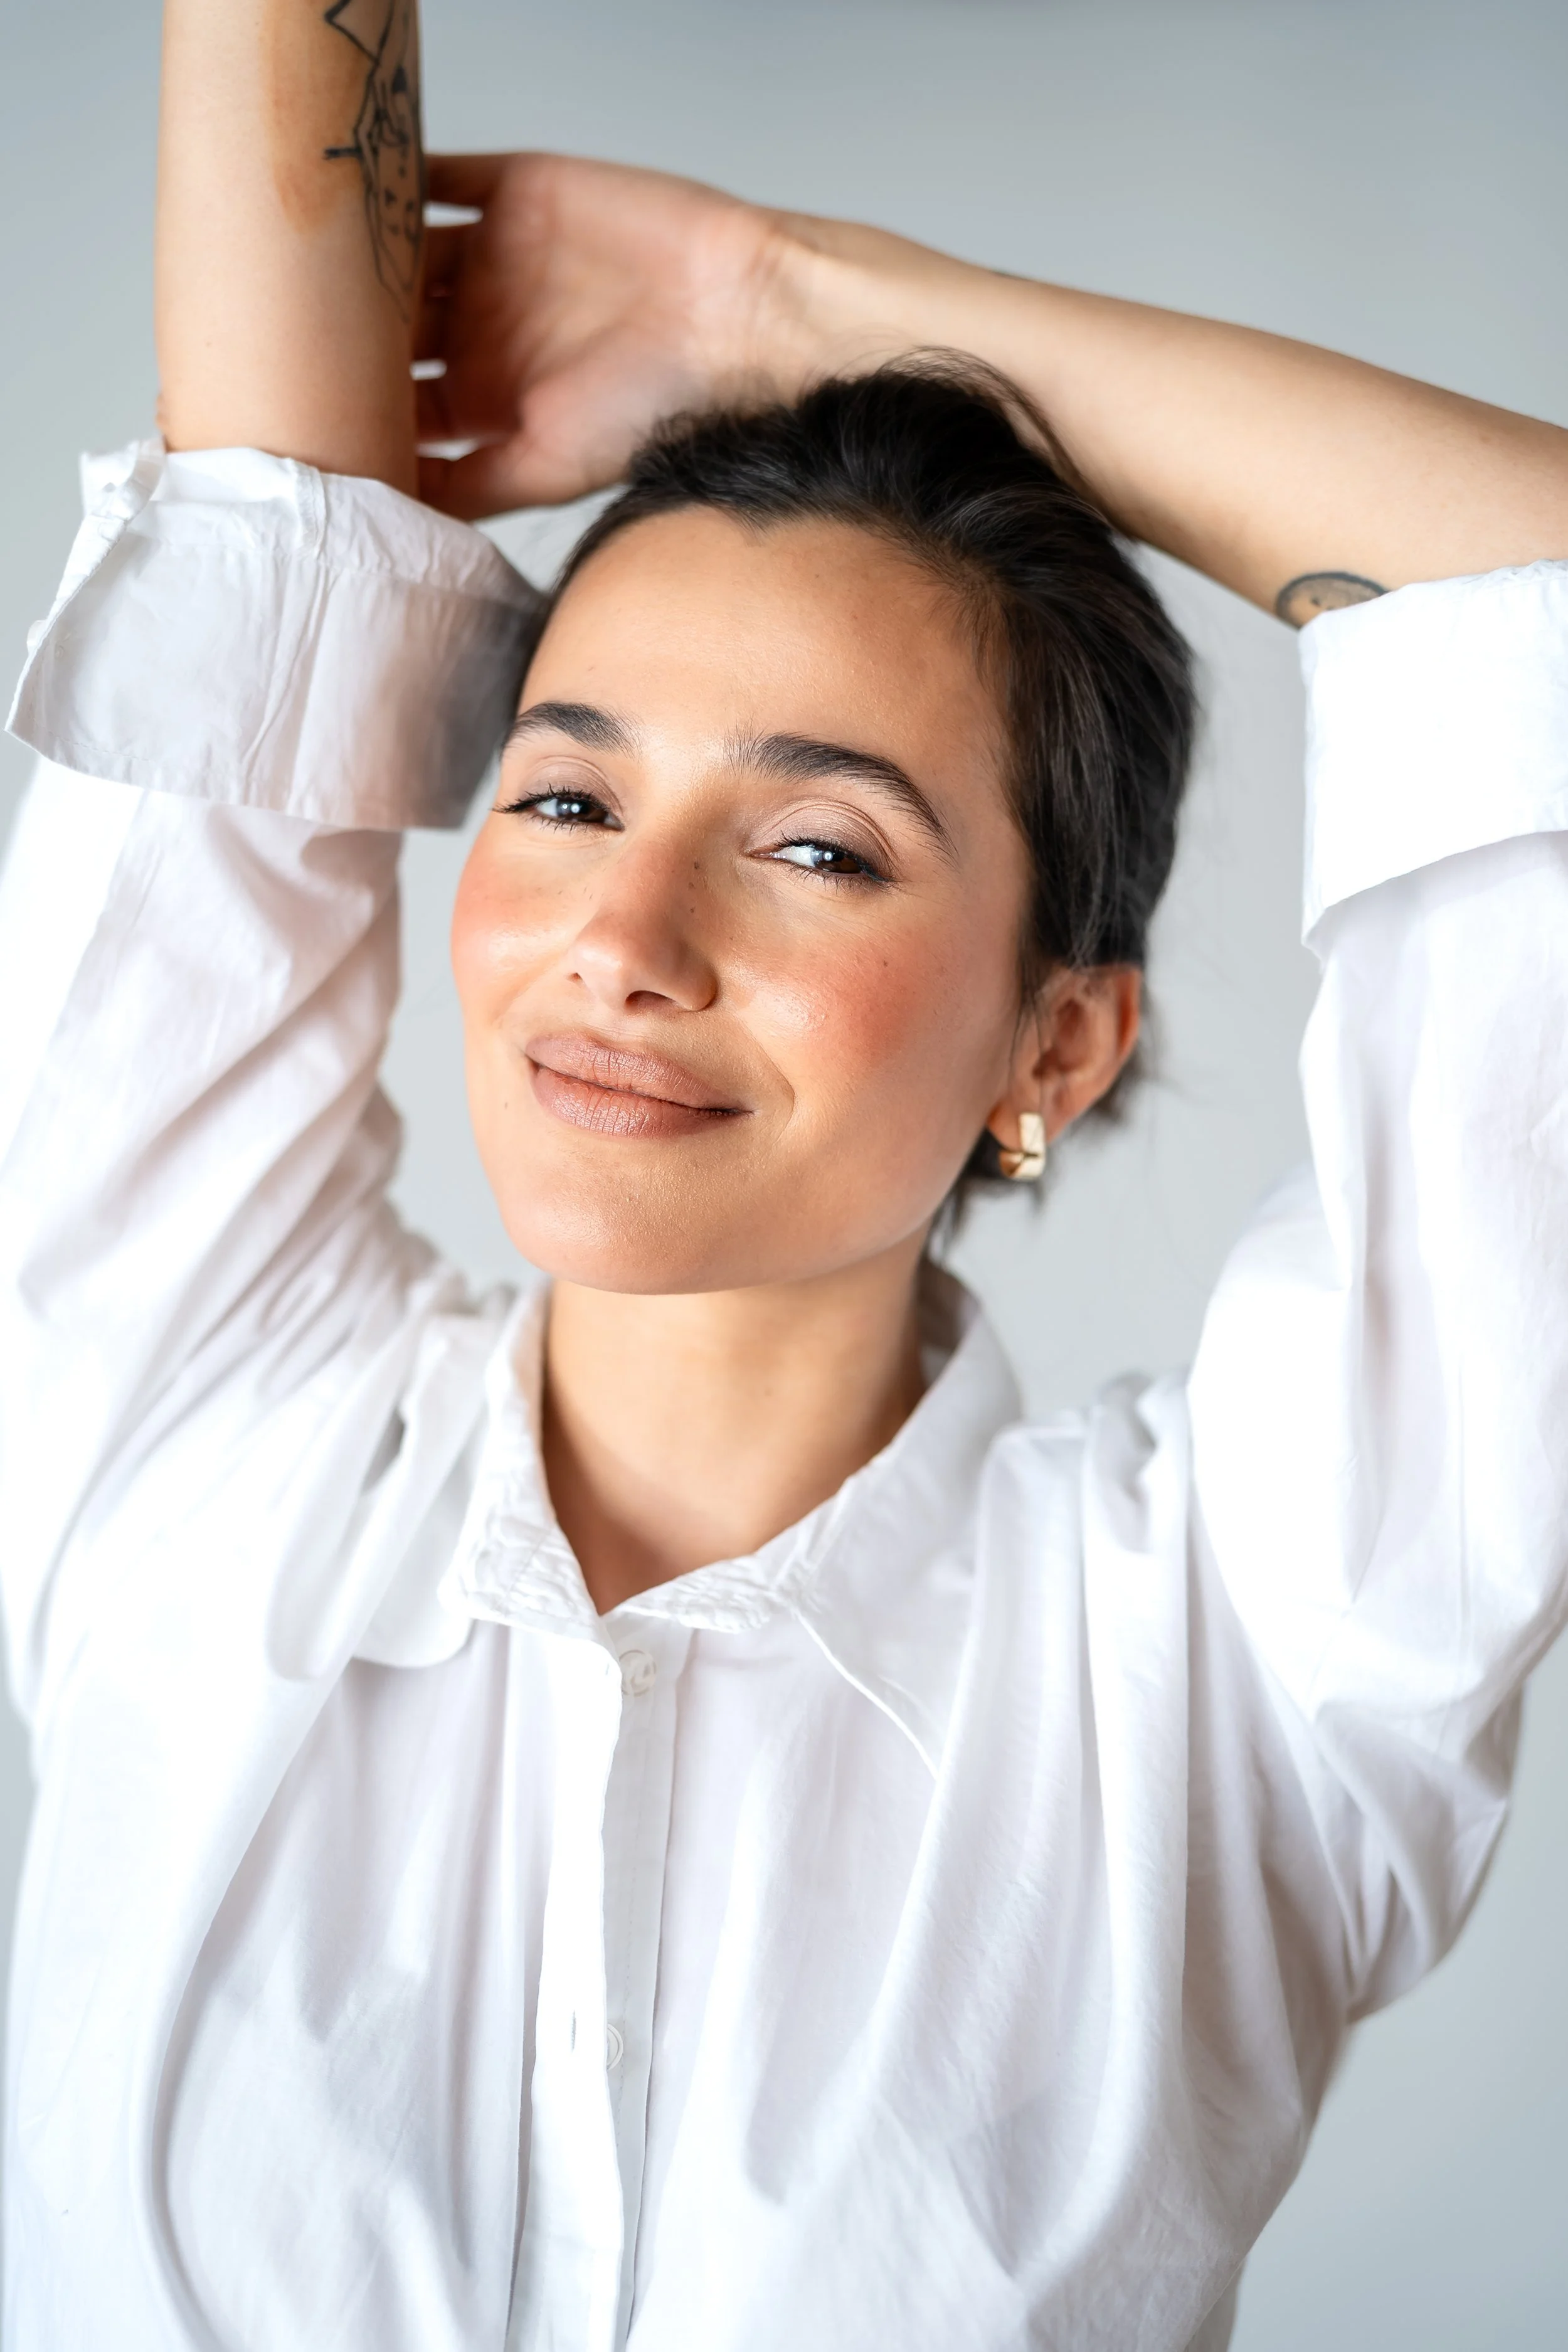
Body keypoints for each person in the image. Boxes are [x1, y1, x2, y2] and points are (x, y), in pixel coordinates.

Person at [3, 2, 1567, 2346]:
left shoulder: (1246, 1669)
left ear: (1059, 1035)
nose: (623, 948)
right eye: (561, 795)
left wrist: (798, 306)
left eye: (819, 843)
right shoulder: (183, 1440)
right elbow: (271, 549)